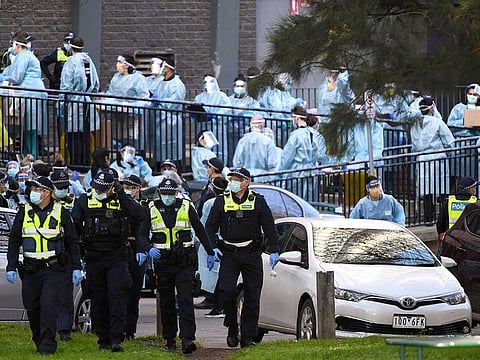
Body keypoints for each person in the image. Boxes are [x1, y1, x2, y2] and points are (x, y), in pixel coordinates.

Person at [136, 178, 218, 354]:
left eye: (170, 194)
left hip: (184, 261)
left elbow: (200, 230)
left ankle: (188, 339)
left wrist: (210, 251)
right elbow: (141, 236)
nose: (167, 197)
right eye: (164, 194)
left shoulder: (186, 206)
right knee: (166, 303)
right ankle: (170, 339)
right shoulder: (150, 209)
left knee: (185, 300)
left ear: (176, 193)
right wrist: (148, 249)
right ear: (159, 194)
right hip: (163, 262)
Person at [6, 176, 82, 355]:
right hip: (30, 270)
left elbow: (72, 241)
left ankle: (48, 346)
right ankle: (39, 339)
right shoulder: (23, 212)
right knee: (32, 307)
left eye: (38, 189)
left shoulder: (60, 211)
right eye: (33, 189)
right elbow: (14, 241)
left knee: (48, 307)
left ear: (47, 193)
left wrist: (77, 266)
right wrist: (11, 266)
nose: (34, 192)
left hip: (52, 269)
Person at [205, 167, 280, 348]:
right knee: (228, 291)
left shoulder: (258, 201)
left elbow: (269, 226)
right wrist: (211, 248)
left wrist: (275, 248)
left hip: (252, 253)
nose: (233, 182)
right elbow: (210, 227)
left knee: (252, 296)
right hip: (229, 253)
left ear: (246, 182)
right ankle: (232, 327)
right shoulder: (221, 201)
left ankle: (247, 337)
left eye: (237, 179)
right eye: (232, 179)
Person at [71, 170, 145, 352]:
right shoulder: (84, 200)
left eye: (104, 189)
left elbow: (140, 215)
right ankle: (103, 338)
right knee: (98, 298)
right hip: (94, 257)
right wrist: (77, 258)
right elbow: (74, 228)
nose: (99, 191)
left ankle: (117, 338)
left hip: (117, 257)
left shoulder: (121, 200)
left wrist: (121, 192)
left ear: (112, 187)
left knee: (117, 296)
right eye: (97, 188)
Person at [1, 31, 48, 158]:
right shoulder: (27, 56)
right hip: (32, 94)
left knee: (30, 130)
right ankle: (28, 156)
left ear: (18, 45)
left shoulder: (23, 56)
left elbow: (16, 76)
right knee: (28, 129)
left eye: (13, 46)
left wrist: (4, 78)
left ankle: (31, 158)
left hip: (30, 95)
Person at [411, 97, 455, 224]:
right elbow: (449, 141)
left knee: (426, 190)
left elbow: (414, 145)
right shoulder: (438, 122)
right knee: (441, 189)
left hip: (422, 159)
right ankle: (443, 218)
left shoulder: (415, 124)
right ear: (432, 108)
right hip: (437, 158)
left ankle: (428, 218)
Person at [59, 36, 100, 166]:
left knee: (73, 134)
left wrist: (61, 102)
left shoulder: (71, 61)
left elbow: (66, 85)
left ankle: (75, 164)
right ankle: (86, 162)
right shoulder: (89, 60)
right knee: (85, 134)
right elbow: (95, 84)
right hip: (87, 101)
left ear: (70, 47)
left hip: (74, 102)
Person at [120, 174, 149, 340]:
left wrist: (143, 249)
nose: (128, 190)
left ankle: (130, 330)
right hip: (123, 249)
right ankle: (120, 328)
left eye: (131, 187)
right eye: (125, 187)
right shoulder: (121, 202)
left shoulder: (145, 204)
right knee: (120, 291)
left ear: (137, 189)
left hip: (139, 250)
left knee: (134, 293)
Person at [50, 169, 77, 341]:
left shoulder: (73, 202)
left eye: (65, 187)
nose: (63, 190)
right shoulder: (44, 205)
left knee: (66, 296)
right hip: (47, 254)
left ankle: (64, 330)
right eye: (59, 187)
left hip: (65, 254)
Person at [198, 176, 229, 318]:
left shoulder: (211, 203)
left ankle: (219, 307)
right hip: (225, 242)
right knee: (222, 275)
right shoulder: (229, 200)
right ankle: (221, 306)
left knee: (215, 276)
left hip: (214, 242)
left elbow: (204, 225)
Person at [103, 54, 149, 149]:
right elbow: (111, 93)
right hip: (117, 114)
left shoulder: (138, 78)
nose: (117, 64)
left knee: (130, 138)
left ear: (127, 65)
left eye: (120, 62)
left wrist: (131, 105)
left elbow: (144, 97)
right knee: (118, 138)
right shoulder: (116, 77)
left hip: (132, 116)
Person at [147, 57, 186, 166]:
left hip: (171, 121)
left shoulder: (177, 84)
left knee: (172, 149)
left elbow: (174, 103)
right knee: (160, 148)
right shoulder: (161, 83)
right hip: (159, 120)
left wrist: (159, 100)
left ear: (167, 68)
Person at [193, 74, 231, 163]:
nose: (208, 84)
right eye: (205, 82)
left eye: (211, 81)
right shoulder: (199, 97)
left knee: (218, 149)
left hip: (217, 127)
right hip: (203, 127)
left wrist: (215, 115)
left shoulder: (222, 96)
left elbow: (227, 109)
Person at [232, 114, 279, 179]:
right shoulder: (268, 142)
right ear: (262, 125)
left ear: (251, 125)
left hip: (245, 178)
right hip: (263, 179)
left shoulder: (242, 141)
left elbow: (236, 162)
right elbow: (273, 165)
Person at [280, 105, 318, 178]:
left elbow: (287, 157)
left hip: (297, 172)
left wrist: (280, 171)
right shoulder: (313, 133)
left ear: (296, 118)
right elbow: (315, 154)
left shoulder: (295, 135)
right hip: (310, 171)